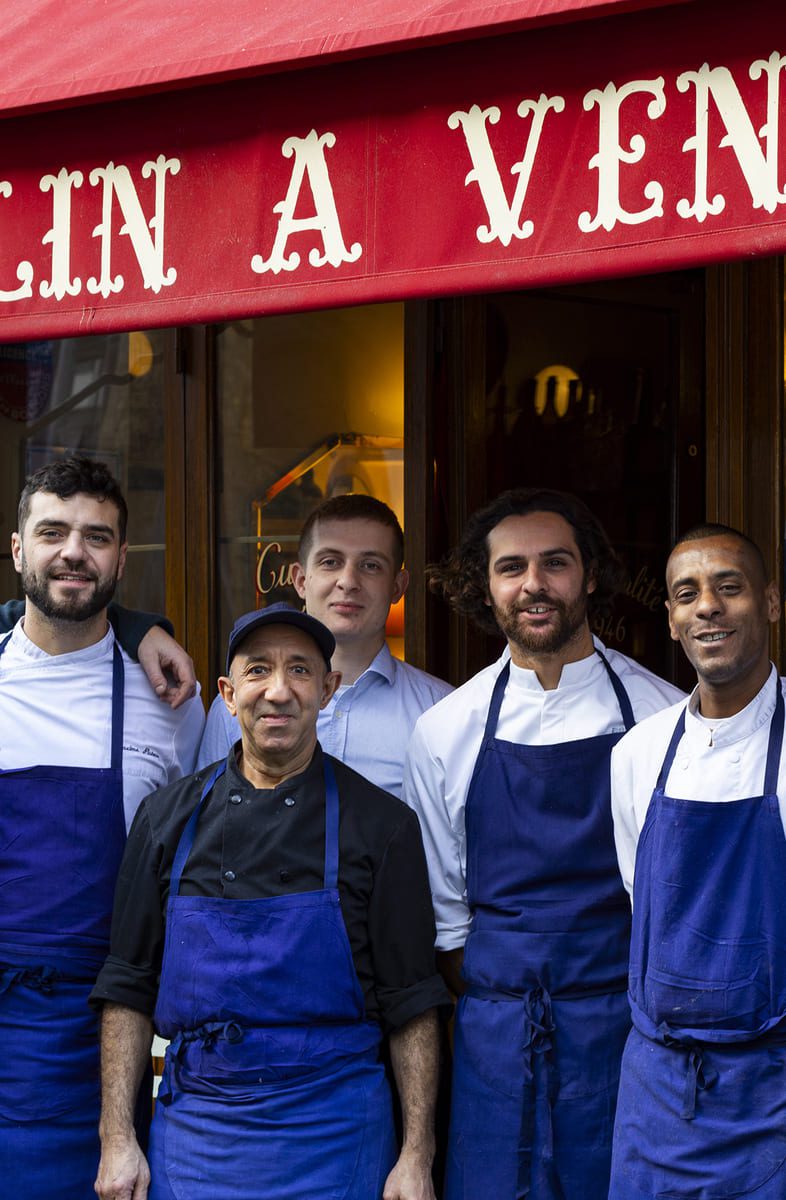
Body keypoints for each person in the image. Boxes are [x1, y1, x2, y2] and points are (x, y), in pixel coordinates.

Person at [92, 602, 451, 1200]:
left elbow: (412, 1002)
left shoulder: (382, 825)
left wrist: (417, 1154)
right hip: (198, 1131)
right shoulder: (166, 820)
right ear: (229, 695)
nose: (278, 691)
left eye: (300, 671)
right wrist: (117, 1137)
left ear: (328, 689)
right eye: (258, 671)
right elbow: (128, 987)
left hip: (336, 1130)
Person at [402, 487, 684, 1200]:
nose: (534, 584)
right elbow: (446, 920)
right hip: (496, 1041)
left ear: (589, 574)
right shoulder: (445, 729)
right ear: (485, 585)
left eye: (555, 563)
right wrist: (511, 994)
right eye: (511, 567)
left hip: (625, 1035)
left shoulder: (659, 716)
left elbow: (670, 900)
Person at [0, 456, 204, 1200]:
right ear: (18, 549)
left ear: (122, 556)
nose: (73, 553)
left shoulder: (169, 698)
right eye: (51, 532)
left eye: (97, 536)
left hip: (103, 1035)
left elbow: (195, 866)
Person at [609, 524, 786, 1199]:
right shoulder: (636, 755)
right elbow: (641, 897)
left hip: (772, 1089)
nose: (707, 606)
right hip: (658, 1092)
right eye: (688, 594)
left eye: (729, 588)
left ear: (770, 602)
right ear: (673, 620)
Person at [197, 494, 452, 796]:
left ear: (397, 586)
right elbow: (206, 828)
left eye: (370, 565)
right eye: (330, 562)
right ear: (301, 580)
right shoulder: (238, 705)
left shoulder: (440, 712)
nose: (348, 581)